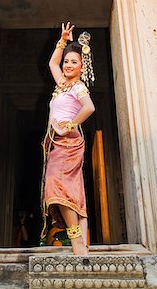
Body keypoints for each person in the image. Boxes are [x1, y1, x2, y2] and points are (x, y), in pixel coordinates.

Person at [41, 22, 95, 256]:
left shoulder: (78, 88)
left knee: (56, 185)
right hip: (57, 141)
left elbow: (89, 107)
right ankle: (82, 240)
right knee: (71, 188)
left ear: (82, 66)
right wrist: (62, 41)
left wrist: (70, 125)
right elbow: (52, 62)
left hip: (68, 141)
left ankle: (75, 241)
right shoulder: (62, 84)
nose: (68, 65)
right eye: (67, 61)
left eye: (74, 62)